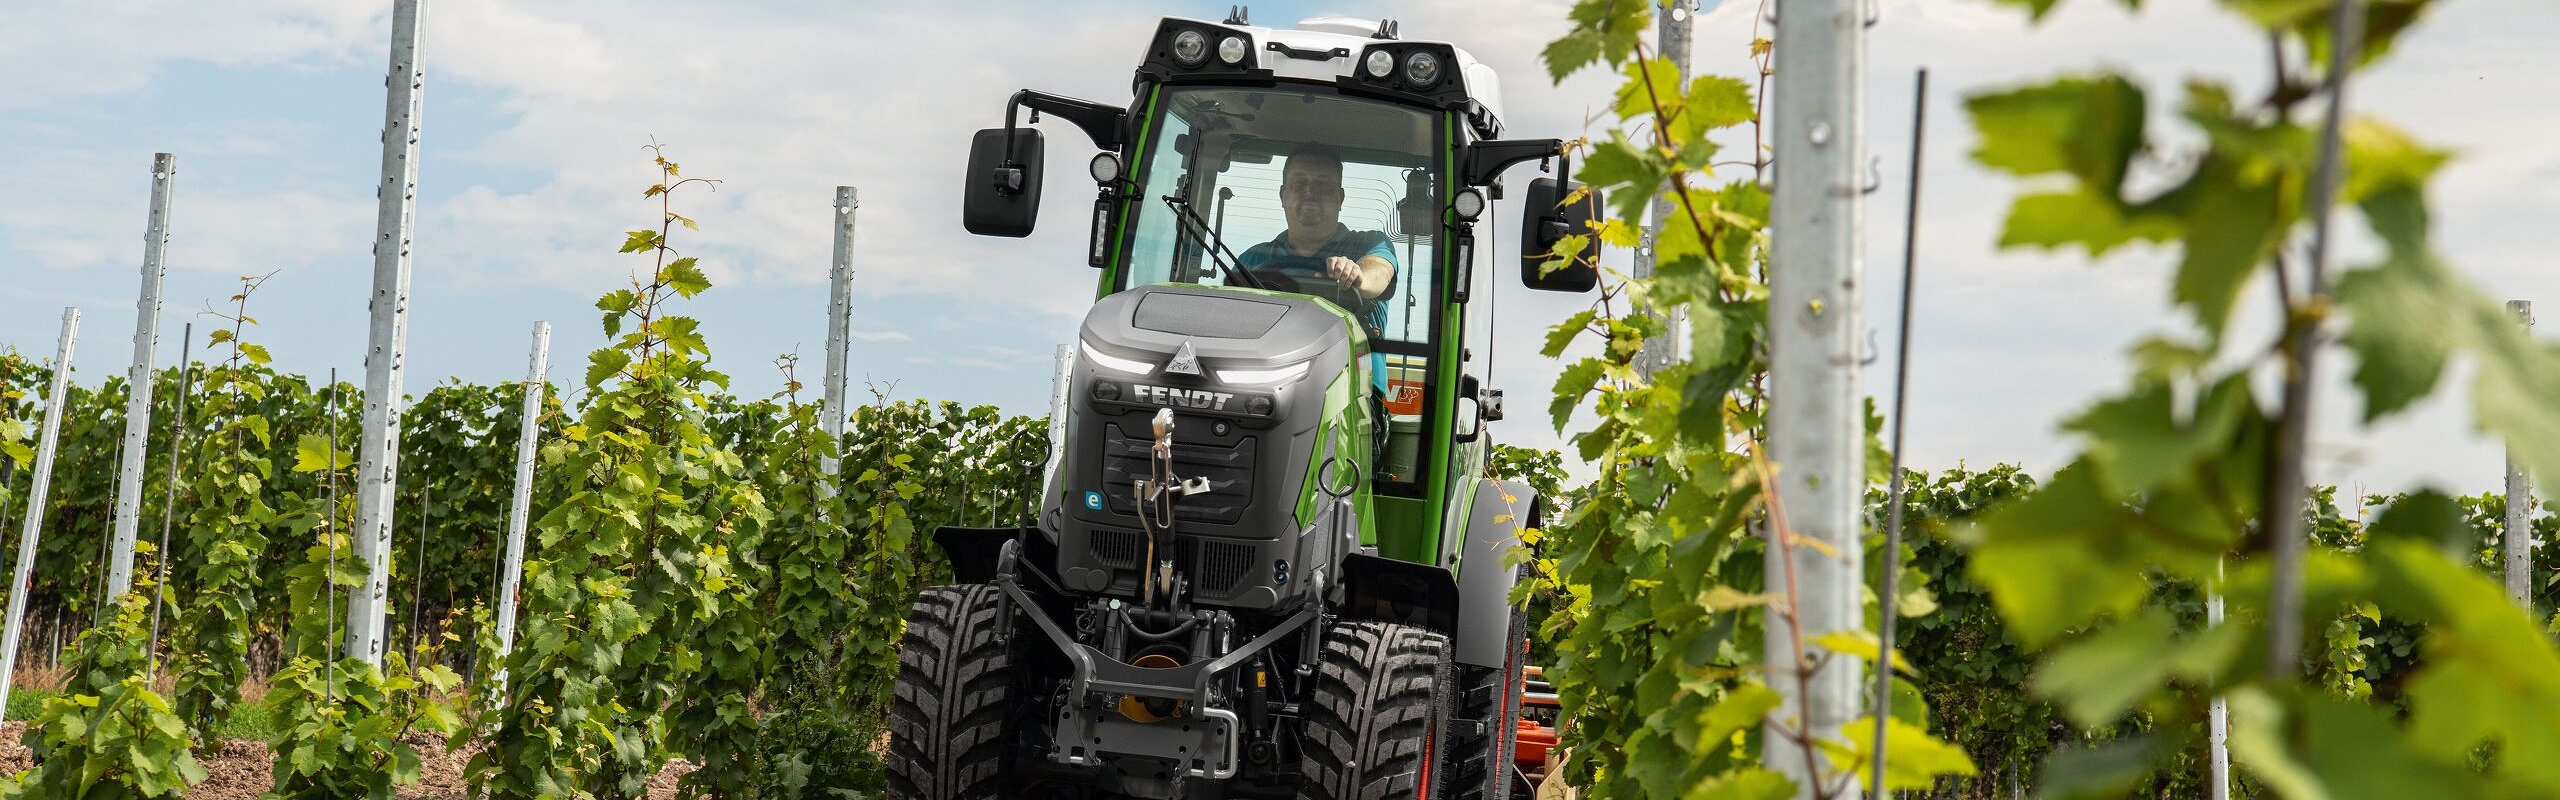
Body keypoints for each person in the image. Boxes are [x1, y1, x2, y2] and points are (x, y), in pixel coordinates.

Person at [1235, 142, 1399, 336]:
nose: (1310, 192)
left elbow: (1380, 272)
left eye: (1323, 185)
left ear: (1340, 198)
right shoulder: (1252, 260)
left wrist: (1358, 277)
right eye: (1299, 183)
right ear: (1282, 195)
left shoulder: (1369, 245)